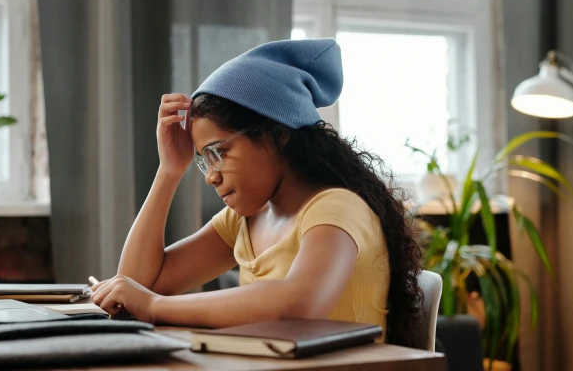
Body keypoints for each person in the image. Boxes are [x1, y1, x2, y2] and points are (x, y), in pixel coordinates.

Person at [91, 38, 423, 347]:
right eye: (204, 161)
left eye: (218, 152)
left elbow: (299, 304)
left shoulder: (337, 208)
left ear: (277, 135)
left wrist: (154, 306)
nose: (211, 176)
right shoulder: (245, 220)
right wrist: (169, 171)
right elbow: (136, 285)